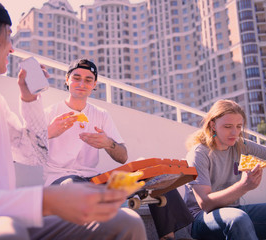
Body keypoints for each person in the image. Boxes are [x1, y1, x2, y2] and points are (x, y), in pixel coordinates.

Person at [0, 1, 146, 239]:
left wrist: (29, 99)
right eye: (9, 36)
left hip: (11, 217)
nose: (12, 48)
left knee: (127, 222)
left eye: (88, 80)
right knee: (6, 234)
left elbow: (33, 155)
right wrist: (45, 200)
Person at [19, 58, 193, 240]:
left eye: (88, 80)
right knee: (74, 187)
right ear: (67, 80)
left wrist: (108, 143)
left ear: (94, 84)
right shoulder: (50, 112)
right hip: (61, 181)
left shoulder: (100, 115)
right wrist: (50, 132)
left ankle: (169, 237)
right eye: (76, 77)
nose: (81, 83)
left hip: (96, 181)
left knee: (157, 177)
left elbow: (122, 156)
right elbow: (28, 152)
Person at [184, 99, 266, 240]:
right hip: (200, 219)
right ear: (213, 125)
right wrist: (243, 187)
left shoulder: (240, 144)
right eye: (228, 126)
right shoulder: (199, 154)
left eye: (239, 126)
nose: (235, 132)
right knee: (238, 219)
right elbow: (205, 203)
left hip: (235, 212)